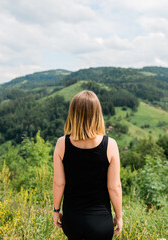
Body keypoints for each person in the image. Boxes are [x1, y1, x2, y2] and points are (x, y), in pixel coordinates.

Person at [52, 90, 123, 240]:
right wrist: (119, 216)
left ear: (73, 114)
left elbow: (59, 183)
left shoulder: (61, 144)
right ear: (97, 114)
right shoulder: (110, 145)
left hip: (72, 222)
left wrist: (56, 210)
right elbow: (114, 187)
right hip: (101, 223)